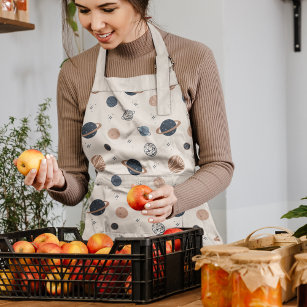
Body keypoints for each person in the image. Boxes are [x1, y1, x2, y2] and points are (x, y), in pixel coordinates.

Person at [18, 0, 234, 244]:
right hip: (106, 246)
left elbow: (219, 165)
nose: (95, 24)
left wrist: (178, 197)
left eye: (108, 9)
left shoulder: (194, 58)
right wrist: (58, 182)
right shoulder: (75, 72)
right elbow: (76, 185)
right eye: (84, 10)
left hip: (182, 240)